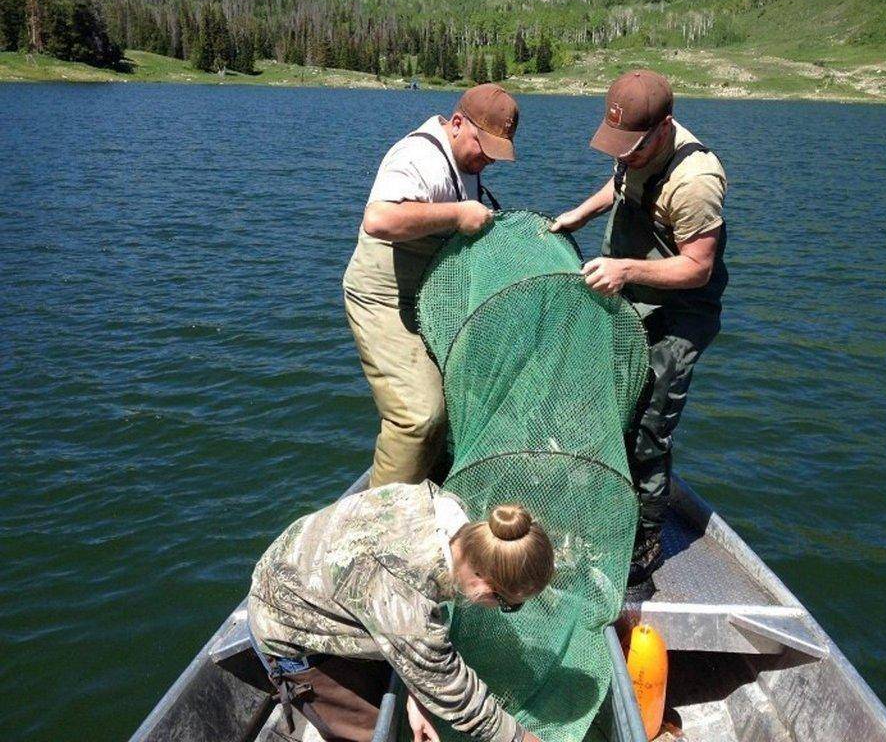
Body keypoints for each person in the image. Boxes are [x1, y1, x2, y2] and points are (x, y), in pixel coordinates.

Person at [550, 70, 728, 595]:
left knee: (649, 426)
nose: (623, 155)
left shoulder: (694, 183)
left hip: (678, 315)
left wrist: (625, 270)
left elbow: (697, 266)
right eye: (617, 147)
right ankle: (606, 501)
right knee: (606, 405)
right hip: (630, 298)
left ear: (664, 128)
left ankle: (644, 541)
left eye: (634, 147)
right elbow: (620, 183)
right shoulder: (636, 146)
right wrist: (580, 215)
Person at [248, 479, 554, 742]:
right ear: (485, 587)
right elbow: (460, 698)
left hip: (314, 575)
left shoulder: (445, 507)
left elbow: (406, 629)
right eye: (509, 605)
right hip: (288, 628)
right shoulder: (407, 605)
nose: (507, 609)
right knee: (377, 734)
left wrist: (417, 695)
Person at [343, 84, 520, 489]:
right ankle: (377, 526)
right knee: (418, 418)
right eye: (484, 147)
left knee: (471, 398)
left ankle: (432, 489)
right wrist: (458, 214)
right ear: (458, 123)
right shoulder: (418, 156)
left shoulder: (468, 163)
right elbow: (379, 220)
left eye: (497, 152)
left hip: (433, 301)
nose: (488, 159)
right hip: (385, 299)